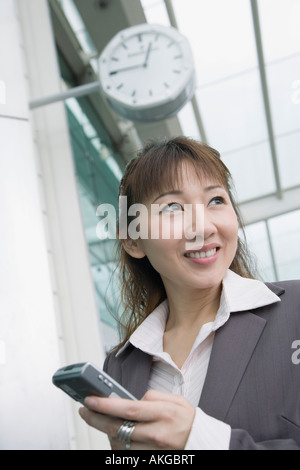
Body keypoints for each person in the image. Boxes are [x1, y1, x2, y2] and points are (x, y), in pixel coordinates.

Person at [79, 137, 300, 450]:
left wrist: (200, 439)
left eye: (215, 201)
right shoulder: (120, 366)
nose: (203, 227)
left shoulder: (295, 312)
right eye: (172, 207)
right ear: (133, 240)